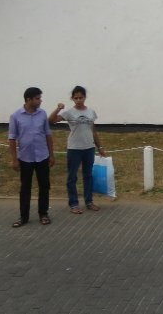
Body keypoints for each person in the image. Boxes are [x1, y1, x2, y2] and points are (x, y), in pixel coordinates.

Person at [48, 85, 106, 214]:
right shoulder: (69, 112)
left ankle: (89, 201)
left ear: (85, 97)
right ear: (72, 99)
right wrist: (58, 109)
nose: (79, 100)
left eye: (81, 97)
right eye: (76, 98)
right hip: (74, 148)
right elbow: (51, 121)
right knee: (72, 177)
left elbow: (93, 131)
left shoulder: (91, 112)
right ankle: (73, 204)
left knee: (88, 175)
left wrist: (99, 147)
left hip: (89, 148)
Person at [8, 86, 55, 227]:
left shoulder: (42, 114)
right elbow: (11, 138)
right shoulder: (15, 116)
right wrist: (14, 159)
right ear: (28, 99)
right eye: (37, 98)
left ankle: (43, 213)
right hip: (25, 158)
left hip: (42, 156)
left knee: (44, 186)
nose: (40, 101)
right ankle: (24, 217)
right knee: (25, 188)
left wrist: (51, 155)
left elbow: (48, 135)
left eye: (40, 98)